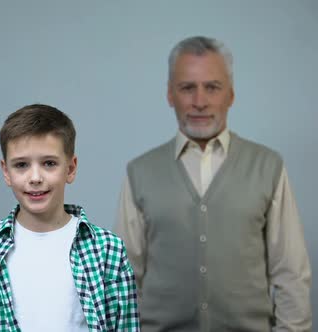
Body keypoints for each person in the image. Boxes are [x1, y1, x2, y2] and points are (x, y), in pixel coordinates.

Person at [115, 36, 311, 331]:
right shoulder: (140, 172)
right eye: (187, 88)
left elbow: (291, 274)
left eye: (212, 87)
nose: (200, 101)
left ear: (230, 94)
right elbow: (124, 280)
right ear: (170, 95)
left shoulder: (268, 166)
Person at [0, 104, 140, 331]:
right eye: (21, 165)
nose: (35, 177)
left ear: (71, 168)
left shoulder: (108, 251)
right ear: (6, 171)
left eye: (49, 163)